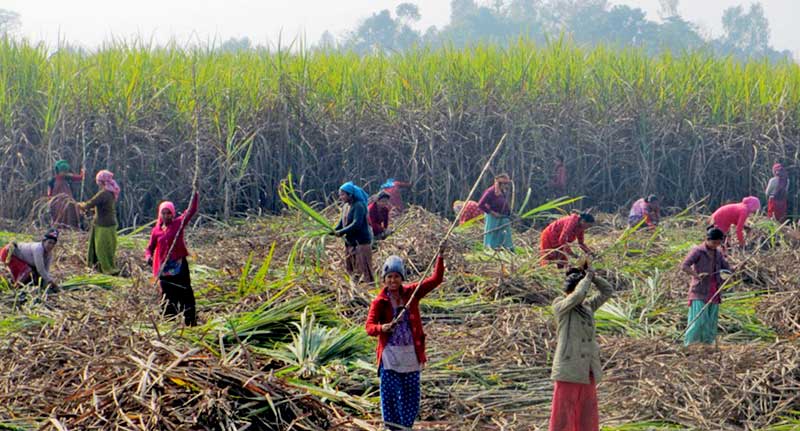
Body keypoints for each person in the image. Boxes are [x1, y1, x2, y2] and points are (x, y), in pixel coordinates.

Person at [365, 250, 446, 431]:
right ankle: (392, 428)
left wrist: (440, 256)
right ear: (384, 279)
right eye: (389, 277)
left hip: (410, 355)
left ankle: (405, 428)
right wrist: (382, 328)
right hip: (389, 357)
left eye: (396, 276)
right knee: (391, 397)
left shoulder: (412, 293)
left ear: (402, 278)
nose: (393, 280)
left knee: (411, 398)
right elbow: (369, 327)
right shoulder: (379, 302)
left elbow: (436, 280)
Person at [549, 265, 613, 431]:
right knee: (564, 412)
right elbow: (576, 296)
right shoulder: (560, 306)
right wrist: (586, 280)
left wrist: (593, 276)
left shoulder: (587, 307)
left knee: (587, 410)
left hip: (587, 368)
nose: (584, 295)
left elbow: (607, 291)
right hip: (569, 367)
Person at [145, 191, 199, 326]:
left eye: (168, 213)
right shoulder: (156, 230)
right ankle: (169, 323)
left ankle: (190, 322)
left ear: (173, 213)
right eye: (163, 213)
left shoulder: (178, 224)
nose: (166, 216)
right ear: (160, 214)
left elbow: (191, 210)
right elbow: (149, 248)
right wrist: (148, 257)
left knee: (185, 292)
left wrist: (195, 192)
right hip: (164, 270)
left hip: (179, 266)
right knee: (168, 297)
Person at [680, 227, 731, 346]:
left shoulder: (718, 253)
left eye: (718, 243)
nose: (716, 245)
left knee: (711, 320)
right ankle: (690, 345)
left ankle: (708, 345)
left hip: (714, 289)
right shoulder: (697, 251)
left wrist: (734, 269)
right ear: (707, 239)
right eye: (714, 243)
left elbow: (726, 267)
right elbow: (684, 266)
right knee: (698, 320)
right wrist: (696, 275)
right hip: (700, 290)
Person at [78, 170, 120, 275]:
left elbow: (90, 204)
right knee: (108, 247)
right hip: (110, 224)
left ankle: (106, 269)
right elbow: (102, 207)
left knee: (101, 248)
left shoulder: (103, 194)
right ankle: (104, 266)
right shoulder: (111, 192)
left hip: (103, 225)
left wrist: (80, 205)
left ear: (101, 182)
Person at [335, 182, 374, 284]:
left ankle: (366, 289)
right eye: (340, 194)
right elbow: (341, 222)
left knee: (362, 269)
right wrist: (334, 230)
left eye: (343, 194)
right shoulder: (345, 206)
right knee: (351, 269)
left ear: (350, 194)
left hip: (361, 242)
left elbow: (356, 224)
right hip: (350, 243)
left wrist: (341, 232)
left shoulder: (359, 206)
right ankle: (354, 287)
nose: (341, 197)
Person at [477, 174, 514, 250]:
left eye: (507, 184)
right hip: (494, 218)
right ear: (500, 184)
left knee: (505, 236)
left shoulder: (503, 192)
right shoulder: (490, 192)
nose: (506, 186)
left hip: (503, 218)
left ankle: (507, 249)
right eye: (505, 184)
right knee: (493, 235)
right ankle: (491, 250)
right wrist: (492, 213)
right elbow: (480, 204)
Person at [47, 160, 84, 229]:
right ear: (58, 171)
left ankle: (71, 227)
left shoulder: (67, 177)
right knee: (58, 214)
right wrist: (50, 201)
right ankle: (59, 228)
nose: (64, 173)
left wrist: (83, 171)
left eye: (66, 172)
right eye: (63, 172)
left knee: (71, 210)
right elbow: (49, 193)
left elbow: (80, 178)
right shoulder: (52, 181)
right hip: (57, 201)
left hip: (68, 200)